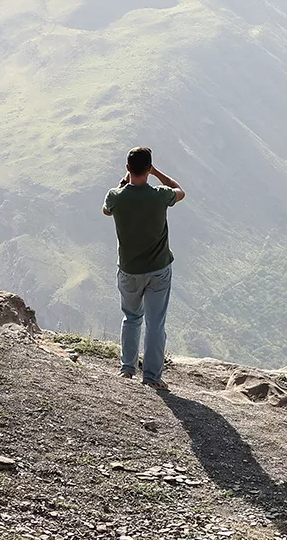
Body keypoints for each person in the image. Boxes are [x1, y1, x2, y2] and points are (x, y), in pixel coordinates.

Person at [102, 147, 185, 391]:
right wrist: (156, 173)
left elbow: (106, 210)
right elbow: (180, 191)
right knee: (155, 323)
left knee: (131, 318)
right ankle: (151, 377)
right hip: (159, 270)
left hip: (129, 270)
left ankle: (127, 369)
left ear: (128, 168)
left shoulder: (115, 197)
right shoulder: (160, 195)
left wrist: (123, 182)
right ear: (148, 168)